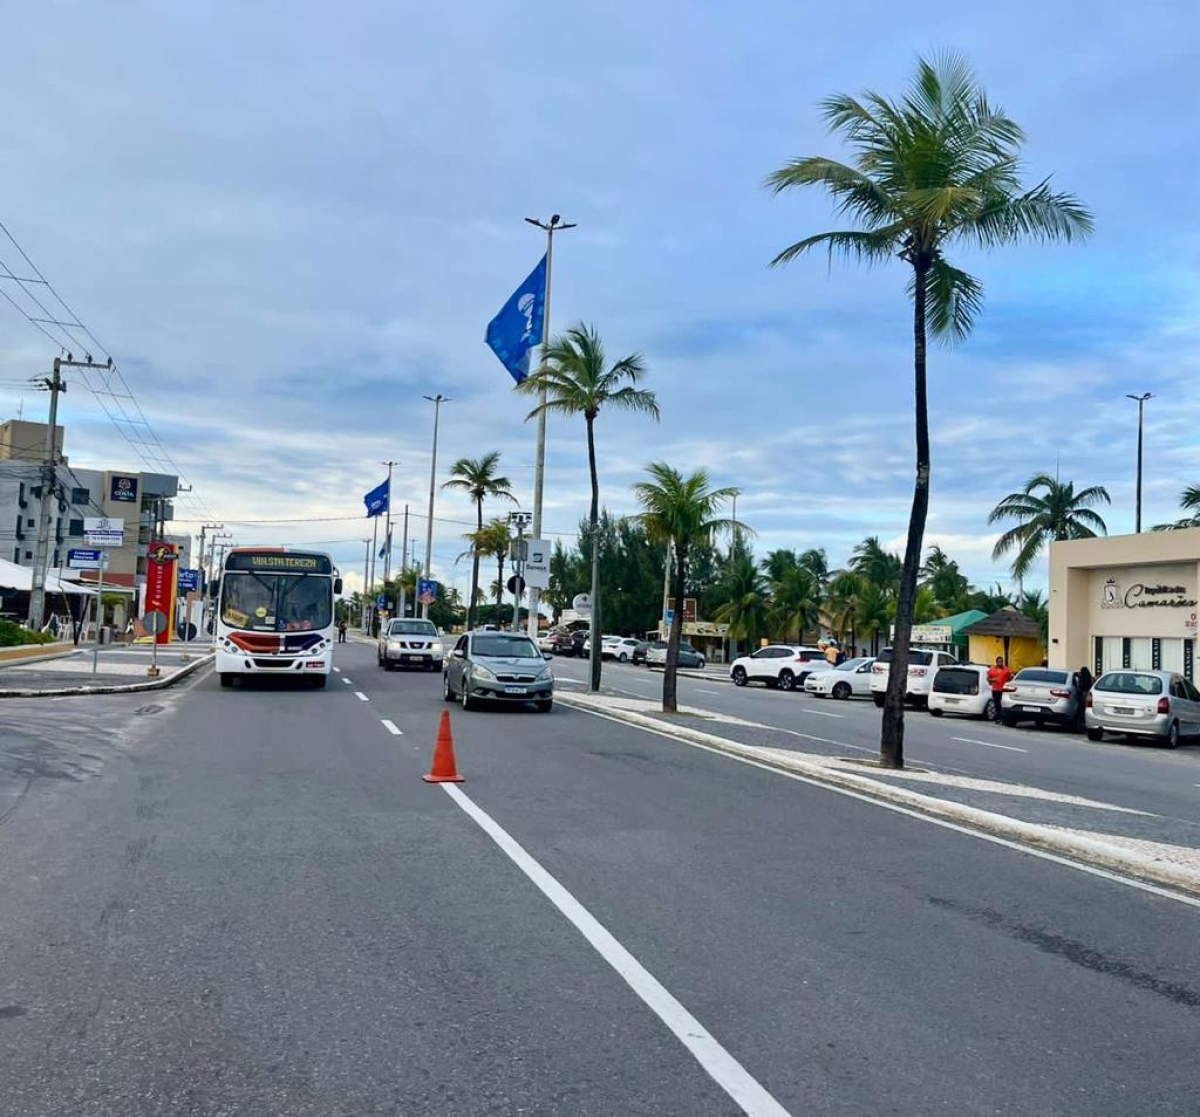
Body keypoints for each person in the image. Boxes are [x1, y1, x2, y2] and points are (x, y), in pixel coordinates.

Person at [987, 656, 1014, 722]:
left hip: (1003, 690)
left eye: (1001, 661)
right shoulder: (992, 669)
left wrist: (1008, 681)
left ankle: (1001, 718)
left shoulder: (1006, 670)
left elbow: (1011, 677)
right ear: (996, 662)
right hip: (995, 689)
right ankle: (999, 718)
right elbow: (988, 678)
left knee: (1002, 704)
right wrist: (992, 680)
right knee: (997, 704)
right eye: (998, 662)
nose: (1000, 663)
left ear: (1003, 662)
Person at [1074, 665, 1094, 731]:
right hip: (1088, 695)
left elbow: (1080, 687)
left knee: (1081, 710)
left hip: (1083, 695)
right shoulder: (1089, 678)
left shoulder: (1081, 679)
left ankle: (1081, 724)